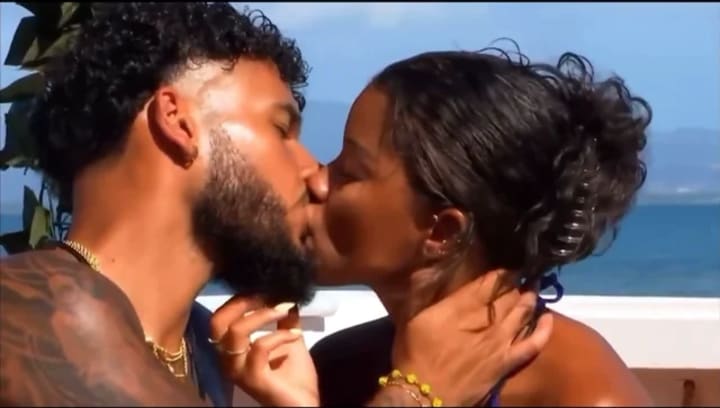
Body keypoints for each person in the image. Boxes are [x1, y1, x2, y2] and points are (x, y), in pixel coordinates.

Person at [0, 4, 552, 406]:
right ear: (178, 122)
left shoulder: (200, 346)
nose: (314, 173)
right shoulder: (33, 309)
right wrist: (416, 392)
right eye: (281, 129)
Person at [308, 46, 655, 406]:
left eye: (349, 172)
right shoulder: (339, 366)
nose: (315, 181)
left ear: (442, 232)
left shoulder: (581, 394)